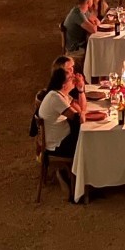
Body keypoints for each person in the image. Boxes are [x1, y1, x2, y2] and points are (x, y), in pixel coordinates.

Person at [38, 68, 86, 198]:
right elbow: (79, 118)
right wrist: (82, 113)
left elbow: (81, 109)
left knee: (86, 135)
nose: (74, 79)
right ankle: (82, 184)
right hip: (58, 146)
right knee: (88, 141)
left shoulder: (60, 94)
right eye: (71, 78)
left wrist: (81, 89)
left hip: (60, 139)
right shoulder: (56, 98)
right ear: (64, 84)